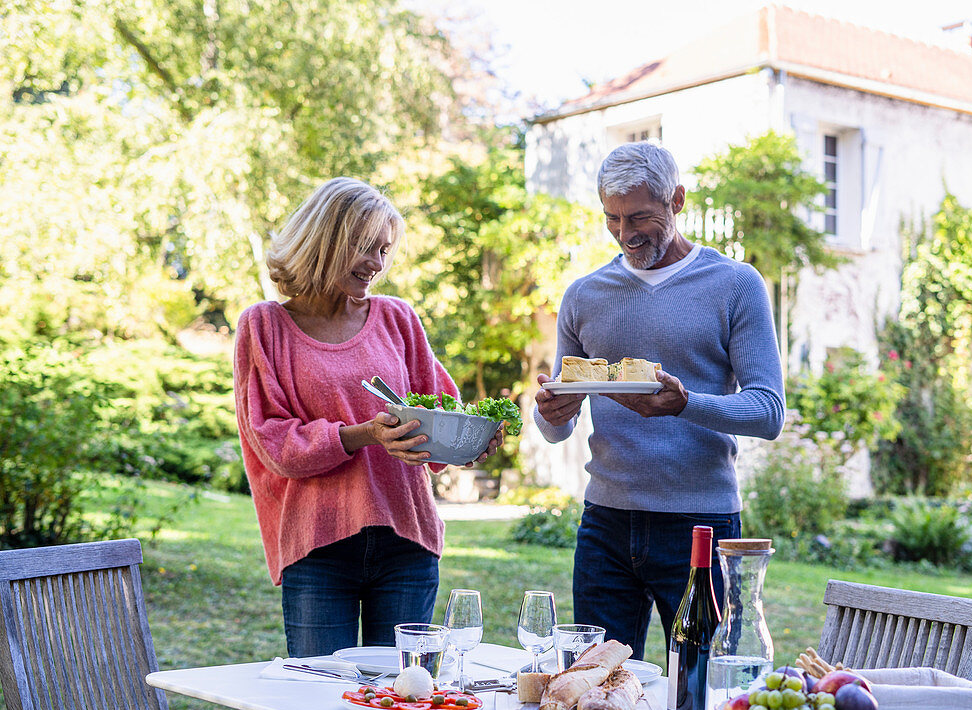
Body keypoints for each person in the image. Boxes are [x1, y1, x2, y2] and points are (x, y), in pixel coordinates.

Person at [233, 177, 502, 664]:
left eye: (384, 250)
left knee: (403, 699)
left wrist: (469, 440)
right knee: (320, 706)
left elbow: (439, 412)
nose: (377, 265)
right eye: (365, 247)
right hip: (319, 548)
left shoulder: (397, 318)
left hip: (406, 540)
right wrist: (364, 435)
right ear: (326, 241)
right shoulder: (264, 326)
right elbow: (274, 442)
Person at [533, 142, 785, 658]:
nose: (626, 234)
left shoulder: (735, 285)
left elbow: (768, 411)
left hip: (701, 527)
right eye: (613, 219)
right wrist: (551, 416)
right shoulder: (584, 296)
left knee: (697, 691)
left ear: (678, 200)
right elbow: (560, 423)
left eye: (640, 217)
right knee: (595, 690)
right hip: (605, 523)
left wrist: (684, 404)